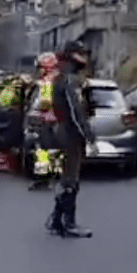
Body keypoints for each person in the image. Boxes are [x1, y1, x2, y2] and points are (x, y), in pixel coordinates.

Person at [46, 40, 95, 238]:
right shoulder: (69, 80)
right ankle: (69, 223)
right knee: (71, 180)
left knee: (67, 178)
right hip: (70, 134)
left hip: (62, 131)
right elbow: (76, 112)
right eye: (81, 54)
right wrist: (89, 136)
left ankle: (57, 220)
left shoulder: (61, 77)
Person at [29, 52, 63, 191]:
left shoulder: (48, 82)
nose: (38, 70)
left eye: (40, 67)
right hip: (59, 121)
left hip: (48, 121)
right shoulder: (59, 79)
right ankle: (54, 178)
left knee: (44, 151)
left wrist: (36, 108)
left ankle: (44, 179)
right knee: (54, 151)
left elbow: (45, 104)